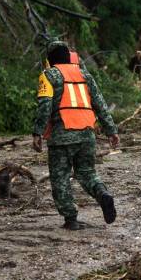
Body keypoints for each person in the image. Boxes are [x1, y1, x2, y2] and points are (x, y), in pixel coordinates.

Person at [33, 41, 119, 231]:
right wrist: (111, 130)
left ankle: (71, 219)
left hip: (62, 135)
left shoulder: (48, 75)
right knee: (87, 173)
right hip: (87, 133)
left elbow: (45, 106)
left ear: (50, 59)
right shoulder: (85, 74)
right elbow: (101, 105)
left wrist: (37, 132)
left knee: (60, 178)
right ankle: (102, 193)